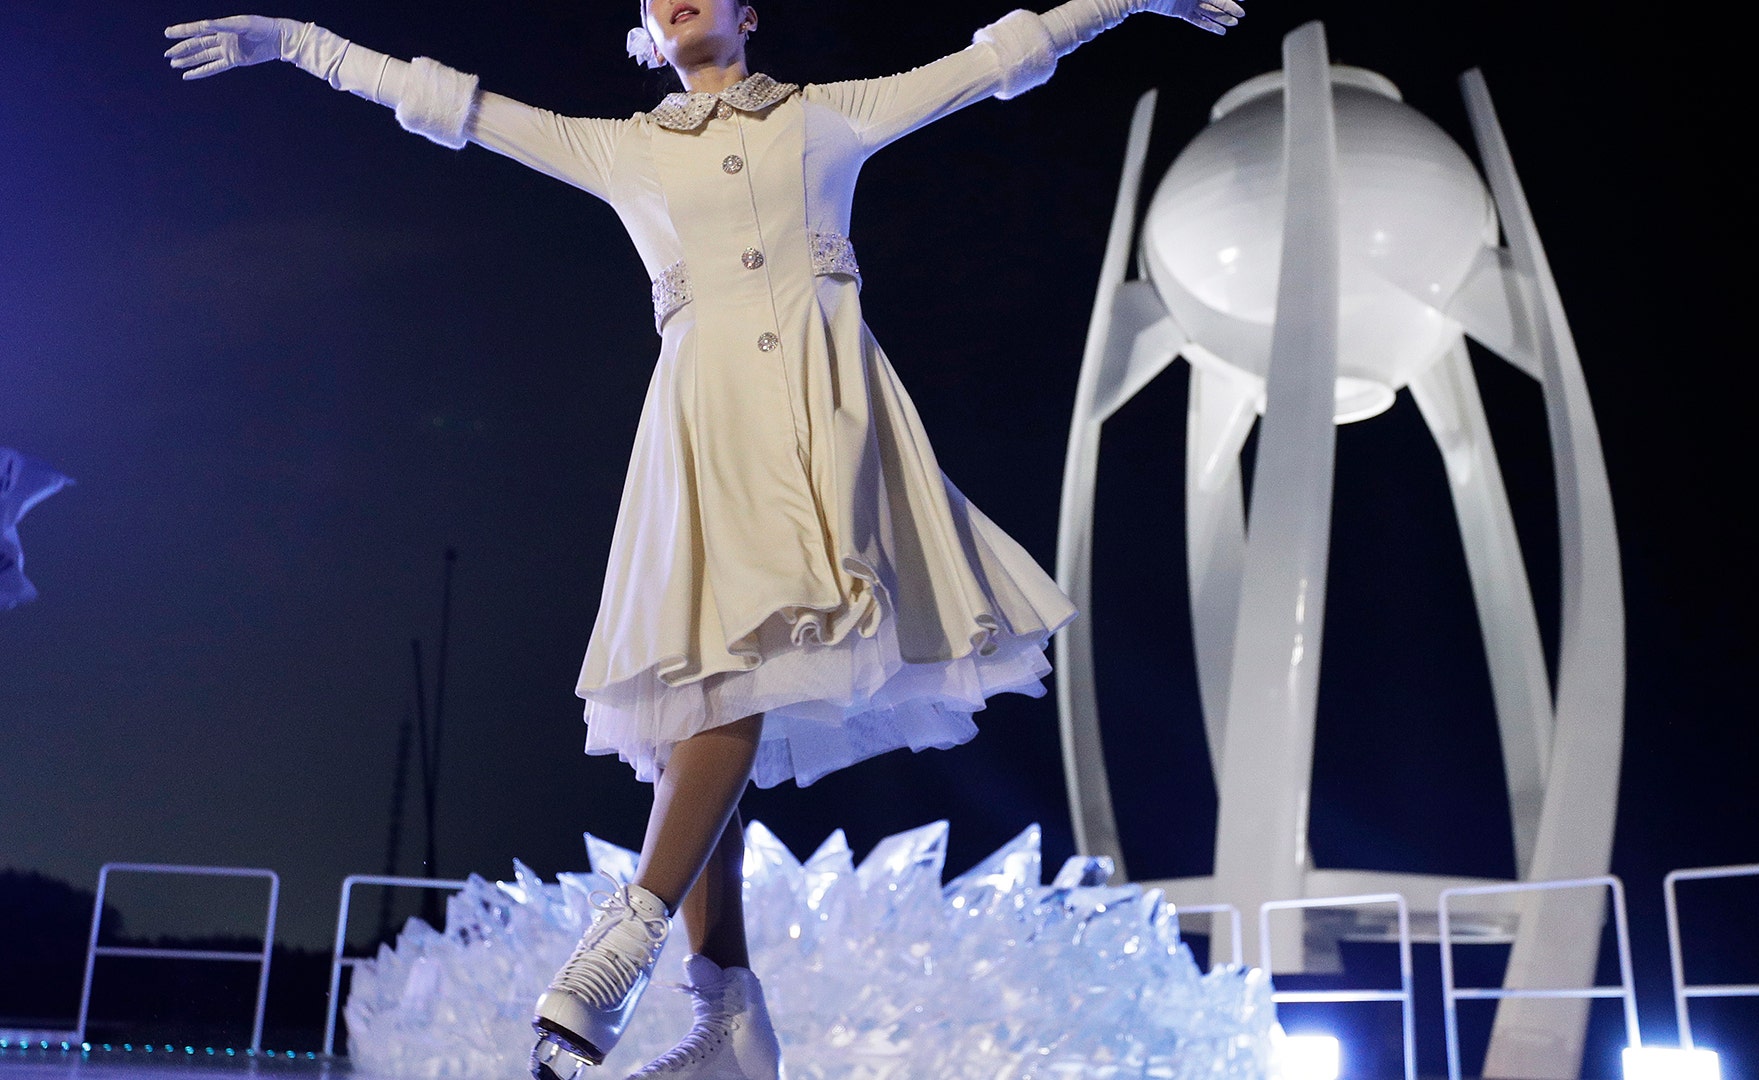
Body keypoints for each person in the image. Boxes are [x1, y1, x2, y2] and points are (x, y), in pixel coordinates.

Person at [162, 0, 1243, 1076]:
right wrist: (302, 44)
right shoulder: (623, 148)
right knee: (699, 702)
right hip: (701, 432)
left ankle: (628, 941)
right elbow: (459, 108)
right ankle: (727, 1017)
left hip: (826, 420)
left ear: (748, 12)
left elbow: (991, 62)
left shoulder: (824, 119)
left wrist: (1124, 1)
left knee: (738, 673)